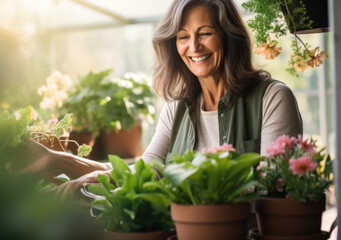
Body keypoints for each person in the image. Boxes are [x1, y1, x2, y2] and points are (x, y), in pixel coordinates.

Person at [18, 0, 302, 200]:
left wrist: (172, 180)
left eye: (205, 33)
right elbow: (146, 170)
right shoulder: (177, 108)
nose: (194, 47)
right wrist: (62, 162)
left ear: (229, 36)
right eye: (182, 37)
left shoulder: (273, 98)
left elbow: (272, 186)